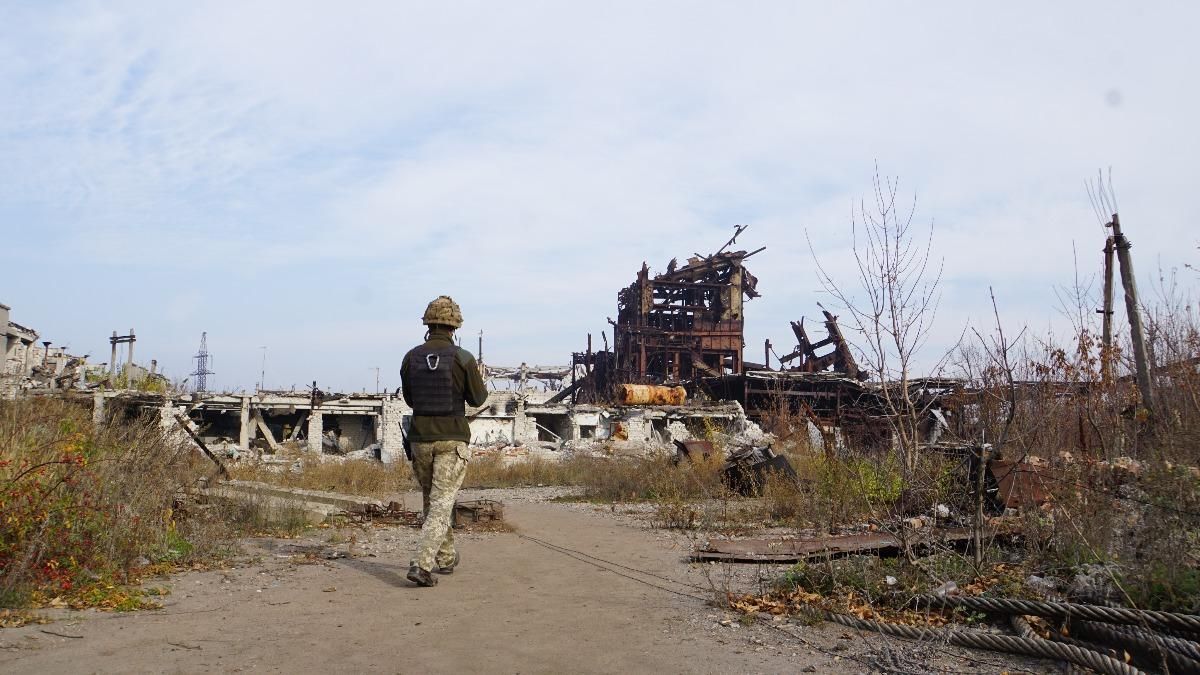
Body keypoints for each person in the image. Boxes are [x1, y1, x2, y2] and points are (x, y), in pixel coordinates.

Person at [400, 295, 488, 587]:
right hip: (452, 439)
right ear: (455, 326)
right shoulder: (463, 358)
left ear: (428, 324)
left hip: (420, 440)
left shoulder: (410, 358)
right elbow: (478, 399)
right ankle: (421, 565)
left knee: (434, 501)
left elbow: (410, 399)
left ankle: (447, 558)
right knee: (441, 503)